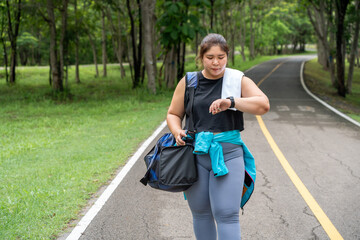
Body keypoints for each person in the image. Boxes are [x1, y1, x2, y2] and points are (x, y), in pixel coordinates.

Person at [166, 33, 269, 240]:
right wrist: (177, 131)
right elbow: (173, 114)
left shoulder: (237, 80)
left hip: (229, 154)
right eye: (210, 57)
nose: (216, 62)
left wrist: (232, 102)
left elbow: (263, 105)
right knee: (201, 213)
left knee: (227, 214)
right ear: (201, 57)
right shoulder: (189, 82)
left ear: (227, 56)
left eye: (221, 57)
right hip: (196, 154)